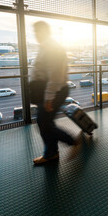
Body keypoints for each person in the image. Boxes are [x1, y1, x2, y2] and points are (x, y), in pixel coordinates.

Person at [31, 21, 77, 165]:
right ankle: (51, 153)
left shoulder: (52, 48)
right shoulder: (45, 47)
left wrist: (49, 98)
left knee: (45, 123)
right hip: (49, 91)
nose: (35, 35)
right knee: (44, 122)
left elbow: (55, 75)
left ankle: (73, 142)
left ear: (44, 32)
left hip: (55, 91)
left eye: (37, 32)